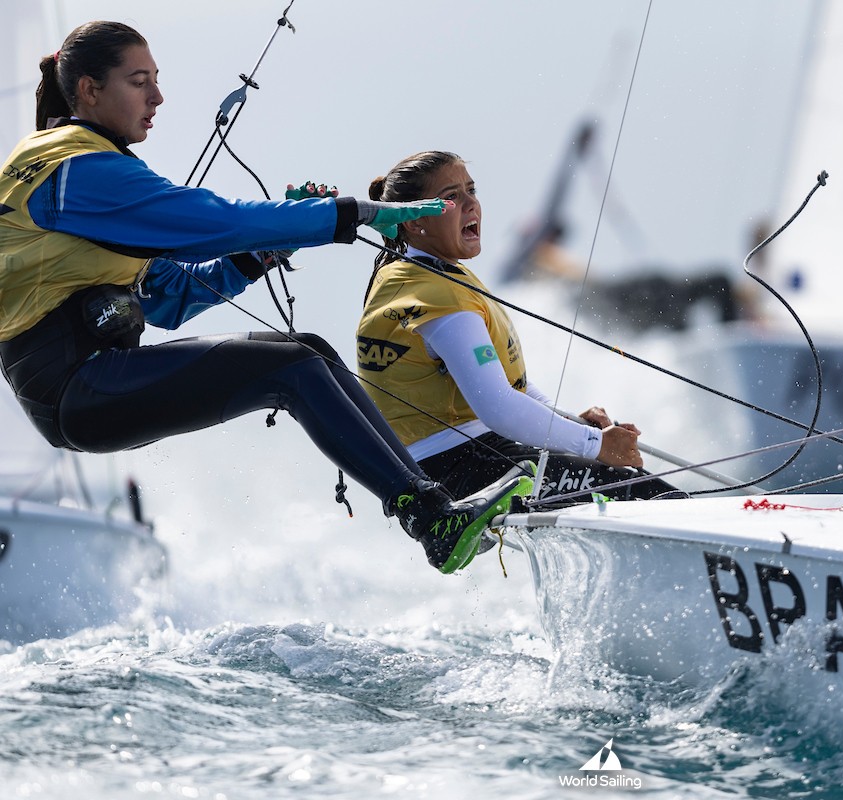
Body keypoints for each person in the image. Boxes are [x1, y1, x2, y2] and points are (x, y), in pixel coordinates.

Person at [0, 21, 531, 574]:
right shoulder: (73, 170)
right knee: (293, 367)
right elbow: (215, 220)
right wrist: (347, 214)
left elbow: (169, 298)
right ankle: (430, 518)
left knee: (311, 352)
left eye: (156, 80)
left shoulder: (83, 167)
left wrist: (265, 250)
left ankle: (435, 501)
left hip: (90, 381)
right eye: (139, 82)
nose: (158, 97)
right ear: (89, 89)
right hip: (75, 389)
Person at [356, 150, 681, 504]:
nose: (471, 205)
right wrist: (596, 445)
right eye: (451, 197)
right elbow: (498, 406)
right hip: (462, 465)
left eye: (472, 190)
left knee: (640, 484)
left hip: (466, 459)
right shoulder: (434, 294)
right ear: (413, 221)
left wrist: (574, 423)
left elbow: (513, 388)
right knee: (654, 497)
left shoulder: (414, 275)